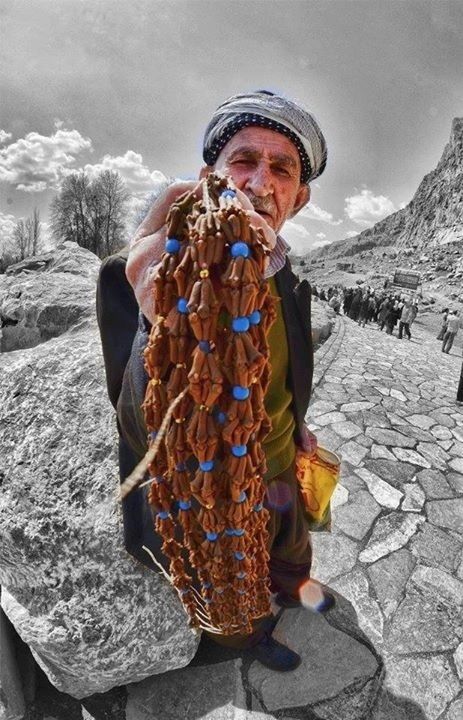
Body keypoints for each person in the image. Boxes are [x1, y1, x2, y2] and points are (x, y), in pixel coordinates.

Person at [96, 90, 332, 672]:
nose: (260, 182)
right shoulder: (146, 273)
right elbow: (134, 418)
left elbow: (288, 372)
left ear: (297, 200)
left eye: (282, 169)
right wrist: (158, 320)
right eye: (244, 160)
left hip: (278, 462)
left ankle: (298, 586)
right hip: (216, 488)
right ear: (209, 175)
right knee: (232, 578)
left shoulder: (288, 278)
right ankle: (250, 638)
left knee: (292, 543)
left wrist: (298, 427)